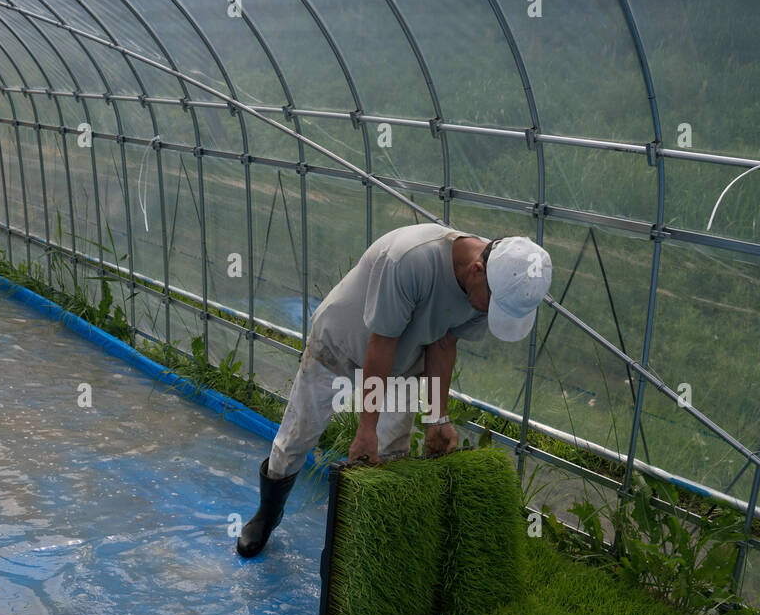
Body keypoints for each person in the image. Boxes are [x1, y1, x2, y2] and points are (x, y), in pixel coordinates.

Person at [236, 222, 552, 558]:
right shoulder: (411, 260)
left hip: (404, 359)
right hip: (342, 340)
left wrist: (437, 418)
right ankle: (267, 515)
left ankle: (371, 544)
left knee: (389, 454)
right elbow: (381, 343)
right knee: (299, 434)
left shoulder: (494, 286)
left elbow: (443, 345)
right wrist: (366, 427)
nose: (491, 312)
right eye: (493, 304)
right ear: (476, 270)